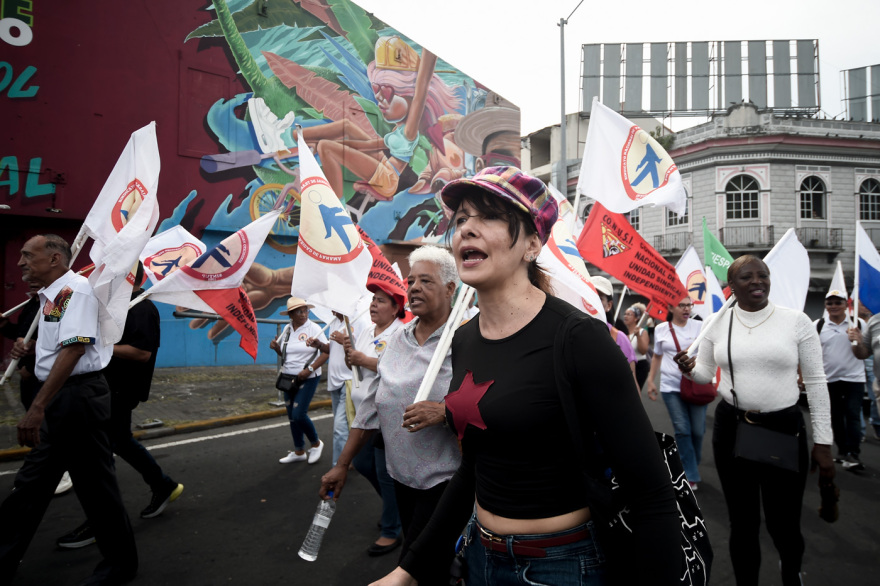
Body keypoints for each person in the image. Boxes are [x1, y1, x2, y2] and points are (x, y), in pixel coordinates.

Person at [371, 166, 681, 586]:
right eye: (460, 219)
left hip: (565, 565)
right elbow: (472, 468)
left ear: (532, 243)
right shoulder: (463, 340)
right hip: (481, 559)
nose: (467, 230)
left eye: (489, 217)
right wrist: (408, 570)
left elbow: (652, 494)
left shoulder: (579, 339)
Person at [676, 254, 834, 586]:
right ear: (731, 287)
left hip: (782, 429)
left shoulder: (797, 321)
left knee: (784, 521)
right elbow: (707, 374)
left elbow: (817, 381)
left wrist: (823, 440)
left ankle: (791, 572)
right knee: (742, 521)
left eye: (762, 275)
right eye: (746, 277)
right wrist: (691, 370)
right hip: (732, 428)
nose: (757, 281)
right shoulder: (717, 323)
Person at [0, 234, 138, 585]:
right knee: (40, 484)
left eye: (28, 256)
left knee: (88, 487)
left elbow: (75, 349)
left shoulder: (73, 291)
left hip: (75, 399)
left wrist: (38, 407)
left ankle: (120, 567)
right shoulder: (56, 297)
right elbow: (60, 343)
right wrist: (30, 351)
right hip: (68, 397)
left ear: (55, 260)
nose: (20, 263)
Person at [320, 246, 462, 584]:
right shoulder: (397, 338)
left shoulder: (467, 338)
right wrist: (342, 465)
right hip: (401, 475)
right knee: (435, 565)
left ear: (450, 289)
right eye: (411, 281)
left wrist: (446, 412)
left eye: (426, 281)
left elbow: (493, 403)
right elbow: (371, 404)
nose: (413, 288)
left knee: (414, 561)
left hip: (445, 479)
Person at [56, 262, 184, 550]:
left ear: (127, 279)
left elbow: (141, 352)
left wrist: (99, 345)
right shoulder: (121, 307)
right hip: (106, 388)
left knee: (100, 453)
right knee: (119, 442)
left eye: (113, 277)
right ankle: (161, 485)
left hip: (119, 391)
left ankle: (102, 520)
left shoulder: (141, 309)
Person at [344, 283, 407, 556]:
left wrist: (362, 358)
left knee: (384, 474)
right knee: (362, 463)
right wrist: (351, 355)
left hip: (387, 415)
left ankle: (391, 530)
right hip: (365, 413)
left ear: (395, 309)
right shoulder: (367, 332)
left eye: (381, 301)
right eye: (373, 300)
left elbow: (395, 368)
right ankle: (396, 509)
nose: (373, 305)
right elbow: (355, 365)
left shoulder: (402, 334)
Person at [646, 296, 707, 489]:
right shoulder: (661, 329)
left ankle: (691, 463)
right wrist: (650, 380)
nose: (687, 308)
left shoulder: (700, 326)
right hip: (671, 386)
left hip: (696, 384)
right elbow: (657, 356)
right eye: (682, 305)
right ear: (671, 307)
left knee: (697, 431)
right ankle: (690, 473)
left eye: (689, 305)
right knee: (682, 429)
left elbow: (708, 354)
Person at [270, 297, 329, 464]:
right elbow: (287, 355)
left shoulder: (314, 328)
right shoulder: (287, 330)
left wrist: (309, 369)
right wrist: (277, 349)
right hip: (289, 378)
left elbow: (326, 351)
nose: (304, 314)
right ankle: (299, 451)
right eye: (299, 311)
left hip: (308, 377)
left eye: (305, 310)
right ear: (291, 314)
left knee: (298, 413)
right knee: (291, 416)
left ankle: (316, 443)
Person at [816, 289, 869, 471]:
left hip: (854, 379)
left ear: (846, 305)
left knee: (853, 415)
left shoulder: (859, 324)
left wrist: (859, 341)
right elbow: (813, 355)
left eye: (838, 302)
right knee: (836, 418)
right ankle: (842, 451)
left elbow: (863, 355)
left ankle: (854, 454)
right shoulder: (819, 325)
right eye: (830, 303)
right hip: (829, 379)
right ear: (826, 306)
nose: (834, 306)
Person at [309, 310, 355, 466]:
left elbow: (361, 349)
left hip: (348, 380)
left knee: (340, 427)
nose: (331, 308)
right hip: (334, 380)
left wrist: (346, 342)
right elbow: (332, 349)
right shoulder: (334, 322)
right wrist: (320, 345)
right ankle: (350, 459)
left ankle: (339, 465)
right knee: (345, 424)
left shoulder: (357, 321)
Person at [591, 275, 638, 387]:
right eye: (589, 295)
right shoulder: (570, 333)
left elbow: (632, 382)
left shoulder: (619, 338)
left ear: (609, 305)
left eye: (599, 298)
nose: (592, 301)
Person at [624, 302, 651, 390]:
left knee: (634, 391)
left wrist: (638, 336)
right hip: (626, 366)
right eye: (625, 314)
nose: (625, 316)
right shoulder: (623, 333)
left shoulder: (642, 332)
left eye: (629, 314)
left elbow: (643, 350)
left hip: (640, 366)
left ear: (636, 318)